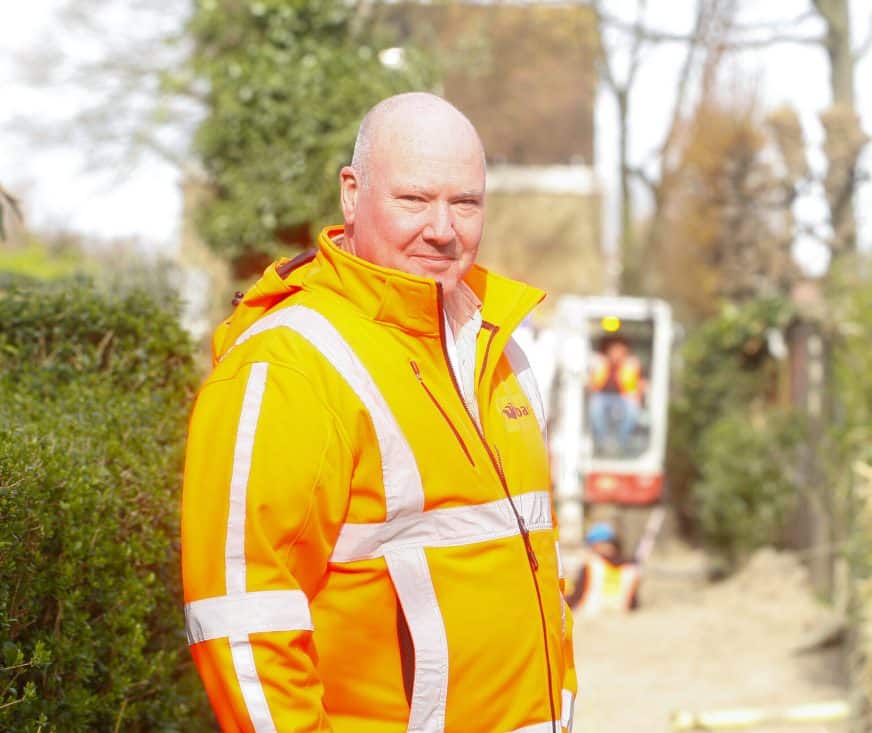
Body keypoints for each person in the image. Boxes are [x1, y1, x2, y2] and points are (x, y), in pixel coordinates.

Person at [180, 93, 576, 733]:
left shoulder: (498, 349)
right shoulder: (289, 366)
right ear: (351, 193)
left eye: (466, 203)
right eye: (414, 200)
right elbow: (244, 621)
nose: (443, 229)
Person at [587, 335, 645, 456]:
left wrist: (638, 394)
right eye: (614, 350)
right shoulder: (599, 363)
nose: (616, 353)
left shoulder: (631, 364)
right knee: (595, 405)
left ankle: (621, 441)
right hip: (603, 397)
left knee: (632, 408)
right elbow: (592, 384)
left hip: (624, 397)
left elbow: (638, 385)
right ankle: (603, 440)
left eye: (619, 350)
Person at [566, 523, 640, 616]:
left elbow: (577, 596)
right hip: (621, 615)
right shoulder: (631, 569)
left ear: (598, 544)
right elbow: (633, 603)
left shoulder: (591, 565)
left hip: (589, 615)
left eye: (590, 544)